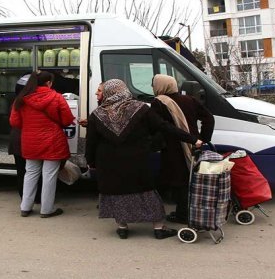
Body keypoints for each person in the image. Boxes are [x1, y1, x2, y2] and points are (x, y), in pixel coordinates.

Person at [85, 79, 202, 239]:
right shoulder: (140, 109)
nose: (97, 94)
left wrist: (90, 162)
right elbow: (164, 126)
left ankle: (122, 227)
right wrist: (192, 139)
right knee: (146, 193)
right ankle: (158, 227)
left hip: (108, 162)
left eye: (100, 91)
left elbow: (91, 142)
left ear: (110, 93)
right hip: (137, 160)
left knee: (117, 192)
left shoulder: (97, 115)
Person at [9, 71, 75, 218]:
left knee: (30, 173)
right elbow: (67, 120)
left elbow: (15, 122)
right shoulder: (56, 97)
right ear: (49, 83)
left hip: (30, 141)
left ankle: (25, 207)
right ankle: (47, 209)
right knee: (49, 175)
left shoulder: (21, 99)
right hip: (52, 141)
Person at [151, 74, 215, 225]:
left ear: (160, 86)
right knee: (189, 177)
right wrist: (203, 139)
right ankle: (187, 211)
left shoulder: (159, 103)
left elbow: (161, 126)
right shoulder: (189, 99)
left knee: (178, 180)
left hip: (174, 147)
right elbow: (209, 118)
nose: (153, 87)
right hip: (193, 145)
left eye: (154, 84)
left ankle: (182, 214)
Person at [8, 74, 41, 203]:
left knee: (22, 171)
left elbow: (13, 121)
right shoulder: (36, 101)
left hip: (17, 139)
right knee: (35, 171)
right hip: (30, 140)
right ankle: (36, 198)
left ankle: (25, 198)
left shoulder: (17, 101)